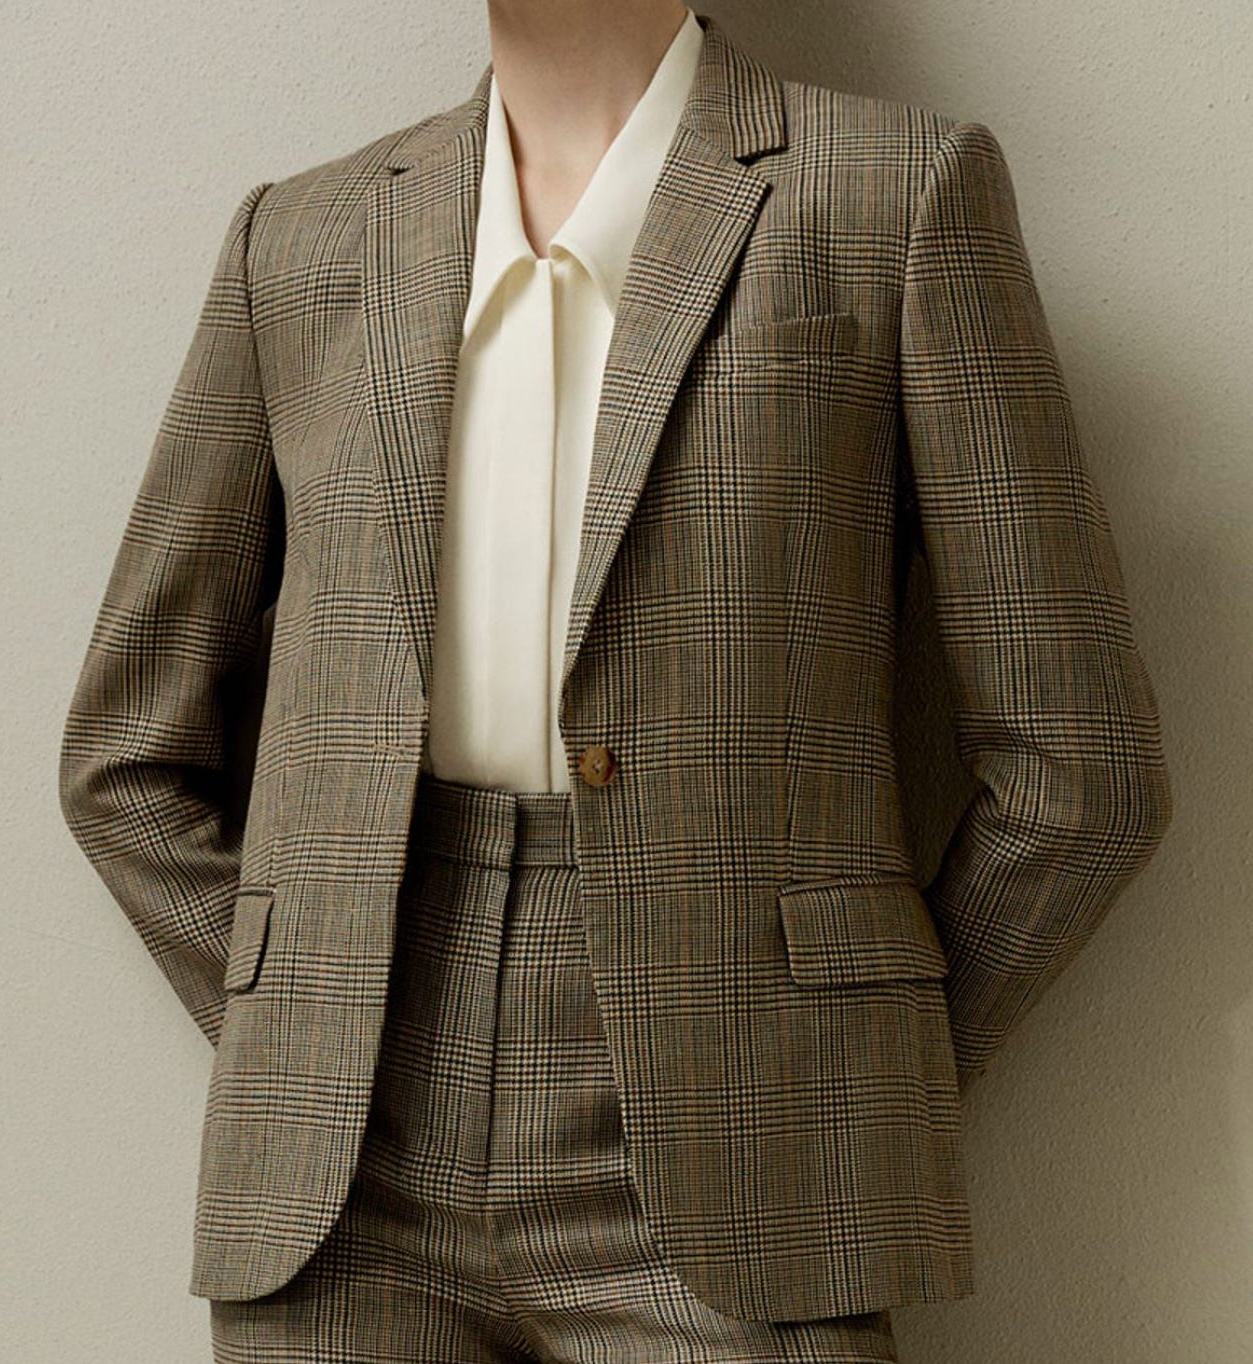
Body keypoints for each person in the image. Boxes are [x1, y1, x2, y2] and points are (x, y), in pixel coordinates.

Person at [58, 3, 1174, 1360]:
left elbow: (1080, 770)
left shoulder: (894, 194)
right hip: (340, 1181)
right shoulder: (299, 239)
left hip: (744, 1137)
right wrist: (298, 1023)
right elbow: (124, 751)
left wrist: (846, 1074)